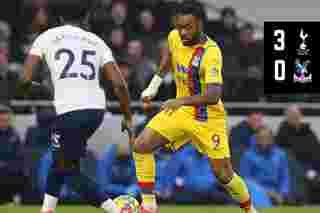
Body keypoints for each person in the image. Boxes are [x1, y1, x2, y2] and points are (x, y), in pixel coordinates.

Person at [132, 1, 258, 213]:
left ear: (200, 24)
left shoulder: (211, 52)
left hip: (208, 118)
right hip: (180, 112)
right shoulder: (174, 37)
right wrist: (153, 86)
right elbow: (168, 60)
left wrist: (179, 100)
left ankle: (249, 209)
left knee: (223, 174)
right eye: (179, 26)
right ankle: (149, 206)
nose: (182, 32)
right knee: (141, 145)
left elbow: (213, 95)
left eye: (187, 27)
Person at [20, 0, 132, 213]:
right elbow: (119, 84)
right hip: (96, 110)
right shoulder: (96, 41)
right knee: (61, 162)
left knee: (68, 171)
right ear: (86, 17)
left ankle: (117, 211)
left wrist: (41, 87)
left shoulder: (47, 36)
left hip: (70, 110)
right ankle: (47, 210)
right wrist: (127, 116)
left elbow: (24, 80)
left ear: (60, 18)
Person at [240, 126, 290, 206]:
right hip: (255, 191)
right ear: (256, 139)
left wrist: (282, 194)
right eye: (261, 137)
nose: (264, 139)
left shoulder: (281, 154)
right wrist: (266, 192)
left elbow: (284, 177)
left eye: (267, 137)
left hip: (276, 192)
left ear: (272, 139)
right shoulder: (248, 155)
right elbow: (245, 179)